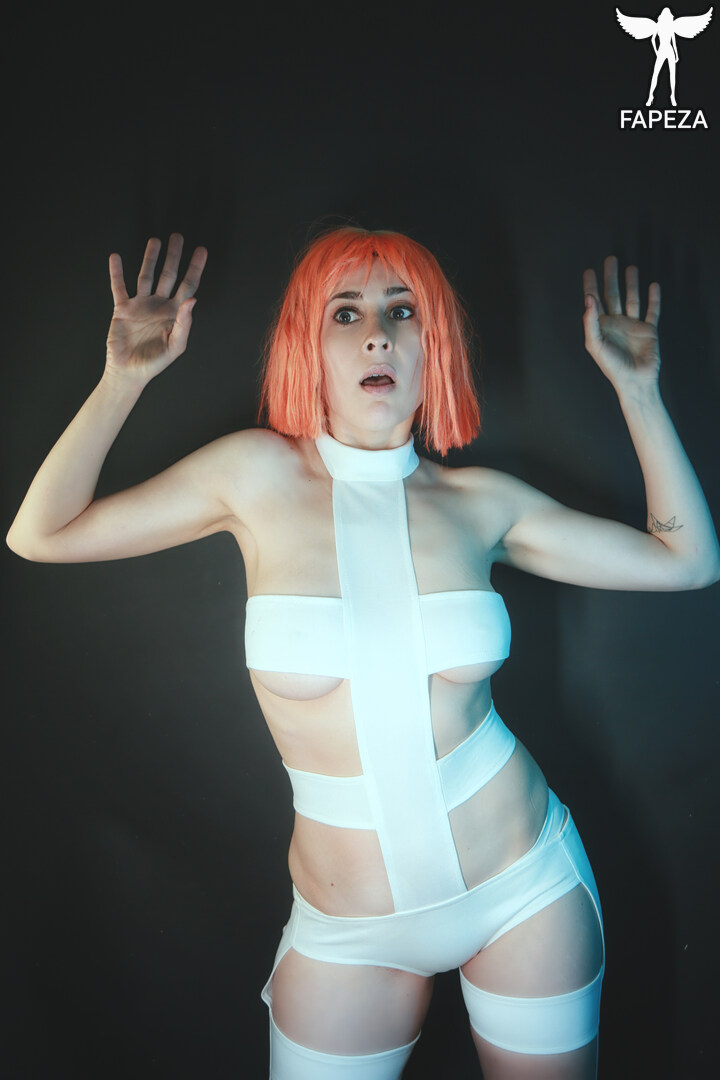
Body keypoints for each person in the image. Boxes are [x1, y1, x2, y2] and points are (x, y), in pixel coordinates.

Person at [7, 227, 719, 1080]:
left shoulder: (483, 502)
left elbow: (687, 562)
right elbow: (41, 534)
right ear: (309, 344)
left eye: (402, 311)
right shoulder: (252, 477)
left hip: (523, 890)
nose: (377, 334)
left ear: (433, 344)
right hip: (348, 932)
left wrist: (640, 393)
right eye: (345, 313)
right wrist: (122, 380)